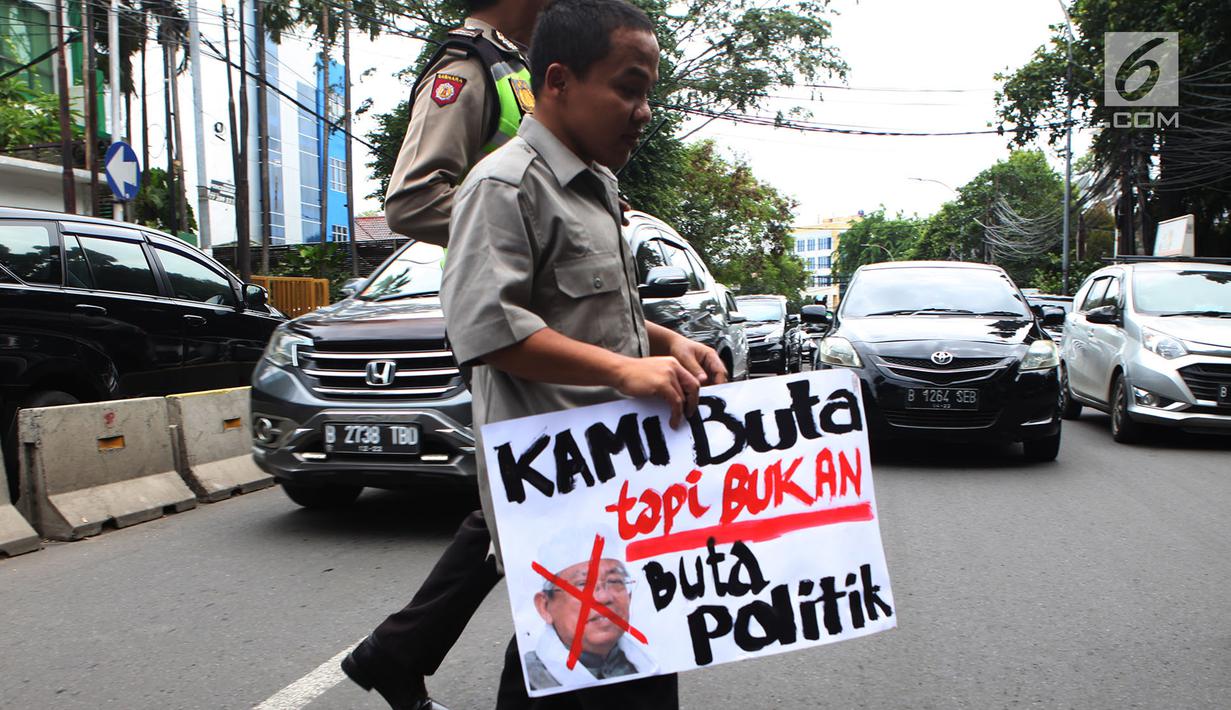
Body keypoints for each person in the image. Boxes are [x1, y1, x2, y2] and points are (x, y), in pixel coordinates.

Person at [440, 0, 727, 706]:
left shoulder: (596, 186)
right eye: (628, 88)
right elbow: (488, 328)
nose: (643, 112)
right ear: (559, 81)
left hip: (624, 485)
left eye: (648, 93)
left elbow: (590, 316)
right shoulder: (503, 186)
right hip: (558, 497)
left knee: (633, 666)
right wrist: (625, 371)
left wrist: (666, 342)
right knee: (574, 668)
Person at [341, 2, 545, 709]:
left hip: (538, 309)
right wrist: (529, 226)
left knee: (520, 496)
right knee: (545, 495)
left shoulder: (518, 64)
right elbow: (412, 198)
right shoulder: (467, 67)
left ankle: (397, 652)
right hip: (505, 314)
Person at [524, 531, 656, 691]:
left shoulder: (655, 667)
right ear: (544, 607)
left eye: (614, 581)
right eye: (582, 584)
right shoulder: (527, 679)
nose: (603, 597)